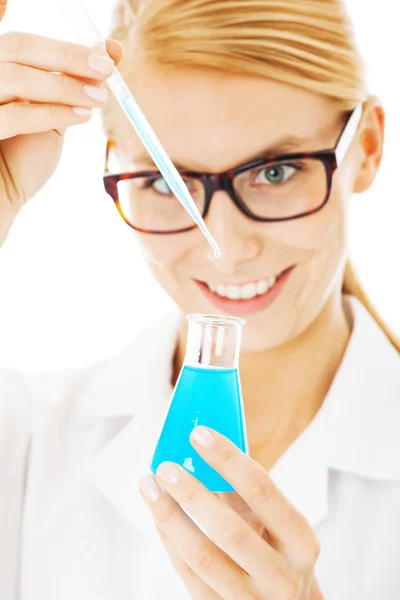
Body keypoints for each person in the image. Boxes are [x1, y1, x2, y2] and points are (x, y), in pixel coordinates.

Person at [0, 0, 400, 598]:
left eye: (275, 172)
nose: (228, 250)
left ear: (365, 146)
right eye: (168, 182)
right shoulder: (29, 440)